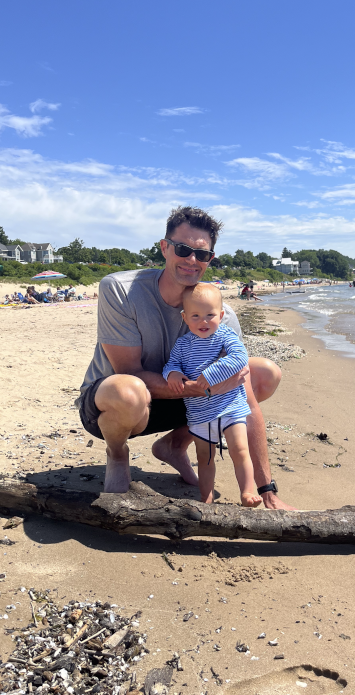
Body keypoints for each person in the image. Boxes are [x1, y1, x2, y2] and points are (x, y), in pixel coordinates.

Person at [76, 205, 290, 509]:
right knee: (130, 392)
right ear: (164, 247)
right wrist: (200, 387)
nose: (192, 260)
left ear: (210, 259)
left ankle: (175, 445)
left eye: (201, 254)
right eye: (183, 249)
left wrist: (266, 489)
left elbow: (247, 401)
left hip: (184, 400)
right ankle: (117, 453)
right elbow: (130, 370)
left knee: (265, 374)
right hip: (115, 407)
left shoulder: (221, 316)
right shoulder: (121, 290)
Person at [163, 283, 261, 507]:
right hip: (199, 412)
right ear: (185, 317)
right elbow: (171, 365)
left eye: (210, 315)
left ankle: (247, 491)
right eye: (195, 316)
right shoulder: (182, 344)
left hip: (230, 406)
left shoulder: (225, 335)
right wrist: (174, 375)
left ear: (222, 315)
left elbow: (240, 357)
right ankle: (205, 497)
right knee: (205, 458)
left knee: (240, 450)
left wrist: (212, 372)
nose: (203, 321)